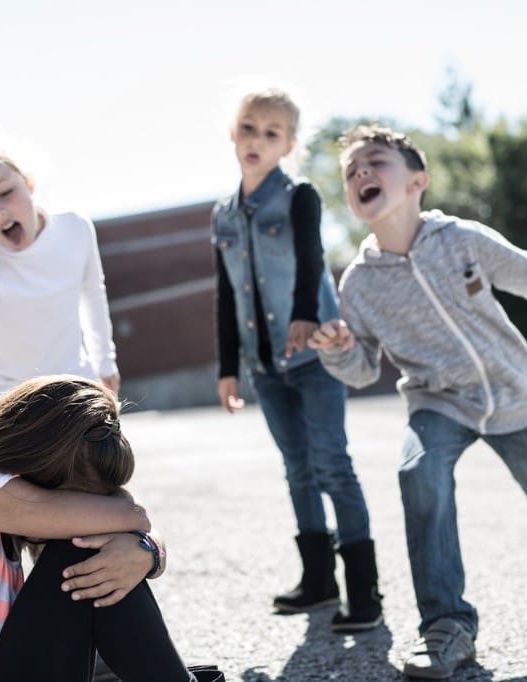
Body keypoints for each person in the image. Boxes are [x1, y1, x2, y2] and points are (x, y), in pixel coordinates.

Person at [309, 124, 527, 679]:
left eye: (375, 161)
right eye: (351, 169)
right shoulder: (358, 284)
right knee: (419, 472)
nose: (360, 172)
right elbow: (360, 370)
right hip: (438, 402)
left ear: (417, 181)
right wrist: (337, 350)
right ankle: (447, 628)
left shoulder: (461, 240)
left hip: (509, 391)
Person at [0, 376, 218, 682]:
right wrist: (147, 546)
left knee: (97, 565)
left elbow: (131, 519)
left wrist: (147, 551)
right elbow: (132, 514)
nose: (88, 510)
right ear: (43, 461)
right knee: (83, 548)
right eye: (83, 499)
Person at [212, 89, 382, 631]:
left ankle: (364, 593)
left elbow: (312, 258)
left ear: (288, 144)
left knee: (332, 464)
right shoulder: (223, 214)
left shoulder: (299, 196)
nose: (257, 140)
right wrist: (227, 368)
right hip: (264, 367)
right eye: (248, 128)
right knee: (297, 470)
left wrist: (307, 317)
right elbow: (225, 292)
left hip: (314, 358)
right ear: (232, 133)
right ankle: (318, 583)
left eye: (271, 132)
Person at [0, 142, 120, 433]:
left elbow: (92, 294)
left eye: (5, 193)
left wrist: (104, 362)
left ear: (28, 182)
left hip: (75, 380)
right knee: (33, 476)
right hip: (10, 397)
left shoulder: (76, 230)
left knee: (101, 465)